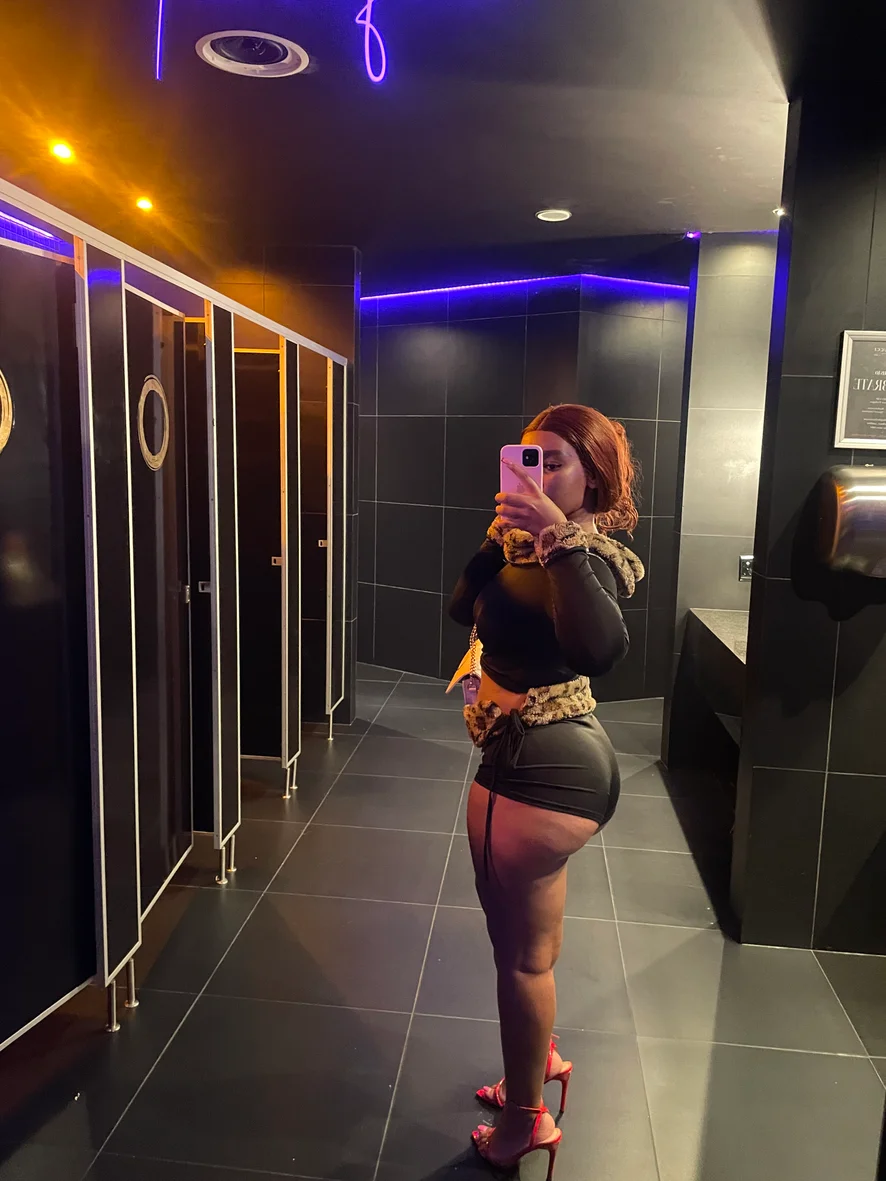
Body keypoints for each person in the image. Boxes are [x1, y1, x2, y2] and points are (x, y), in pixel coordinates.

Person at [448, 403, 643, 1178]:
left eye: (554, 461)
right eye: (526, 458)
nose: (536, 473)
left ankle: (526, 1119)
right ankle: (540, 1059)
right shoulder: (519, 546)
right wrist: (501, 535)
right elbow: (461, 609)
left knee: (519, 959)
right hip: (543, 763)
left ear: (591, 478)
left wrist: (557, 537)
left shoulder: (590, 555)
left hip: (540, 767)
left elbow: (601, 647)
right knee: (531, 948)